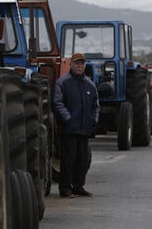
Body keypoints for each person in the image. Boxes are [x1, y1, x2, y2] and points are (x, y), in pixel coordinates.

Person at [52, 52, 100, 198]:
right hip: (69, 129)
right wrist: (68, 118)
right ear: (71, 64)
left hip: (84, 129)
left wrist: (93, 121)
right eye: (77, 63)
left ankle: (78, 186)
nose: (80, 66)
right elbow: (57, 103)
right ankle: (65, 188)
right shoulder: (63, 82)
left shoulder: (90, 84)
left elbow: (96, 106)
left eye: (82, 63)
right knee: (68, 160)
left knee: (82, 159)